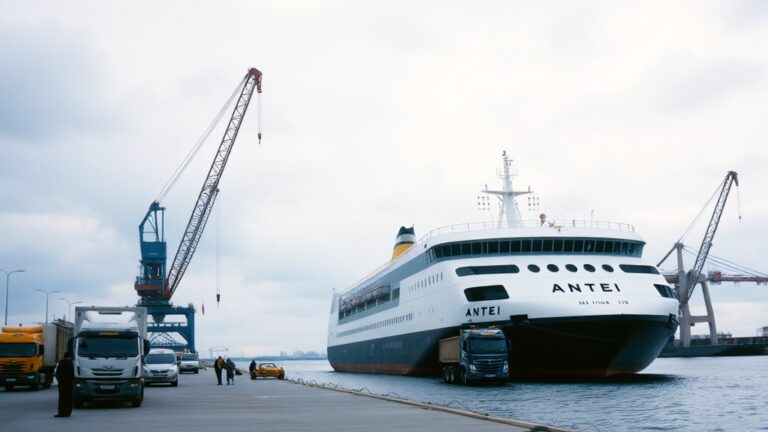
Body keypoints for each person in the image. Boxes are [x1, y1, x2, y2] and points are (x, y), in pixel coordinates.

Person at [54, 351, 74, 417]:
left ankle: (61, 413)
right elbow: (73, 375)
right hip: (69, 384)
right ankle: (68, 412)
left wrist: (60, 381)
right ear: (70, 356)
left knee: (62, 398)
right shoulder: (71, 363)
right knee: (69, 398)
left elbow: (57, 374)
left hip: (62, 384)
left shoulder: (61, 363)